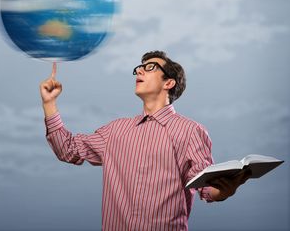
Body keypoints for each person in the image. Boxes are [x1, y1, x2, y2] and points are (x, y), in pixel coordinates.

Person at [40, 50, 250, 231]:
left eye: (149, 67)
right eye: (138, 68)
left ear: (168, 82)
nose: (139, 71)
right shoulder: (115, 131)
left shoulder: (190, 131)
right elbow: (67, 149)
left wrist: (224, 191)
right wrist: (49, 104)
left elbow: (205, 186)